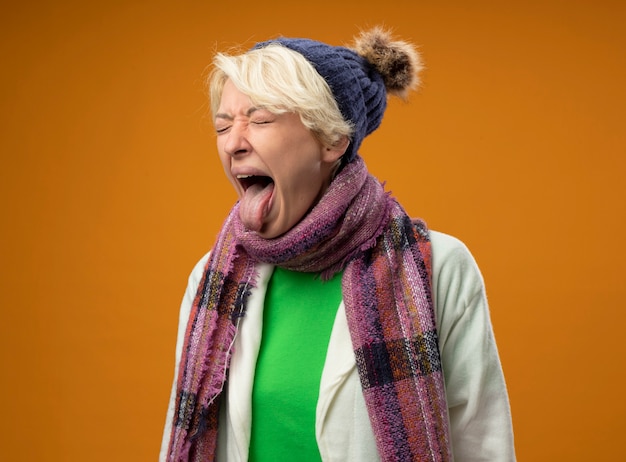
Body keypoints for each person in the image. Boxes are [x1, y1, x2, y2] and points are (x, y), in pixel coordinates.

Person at [160, 27, 515, 461]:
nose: (233, 142)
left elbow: (482, 442)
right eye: (223, 125)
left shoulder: (437, 267)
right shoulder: (212, 280)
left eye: (261, 119)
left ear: (332, 141)